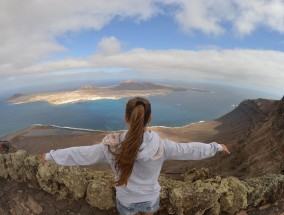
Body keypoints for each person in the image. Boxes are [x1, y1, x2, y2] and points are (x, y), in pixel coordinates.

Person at [42, 97, 230, 215]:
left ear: (126, 118)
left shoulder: (111, 146)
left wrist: (51, 156)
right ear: (149, 119)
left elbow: (81, 154)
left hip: (125, 200)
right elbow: (190, 150)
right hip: (150, 199)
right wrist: (216, 147)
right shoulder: (162, 146)